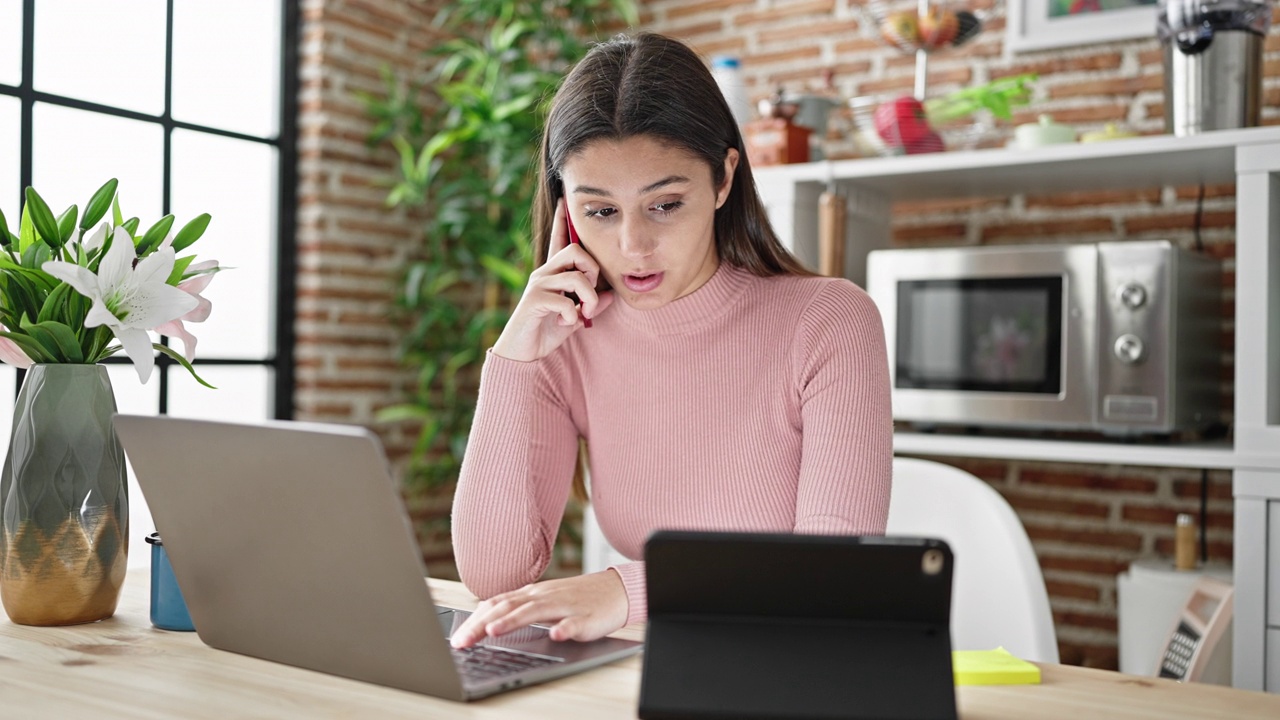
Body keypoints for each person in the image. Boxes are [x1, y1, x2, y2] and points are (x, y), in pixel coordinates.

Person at [449, 32, 892, 649]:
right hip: (651, 661)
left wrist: (627, 591)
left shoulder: (830, 322)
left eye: (664, 204)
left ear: (723, 179)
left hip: (795, 660)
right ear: (565, 210)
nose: (633, 247)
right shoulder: (565, 340)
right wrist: (513, 360)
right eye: (600, 211)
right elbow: (494, 575)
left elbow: (830, 576)